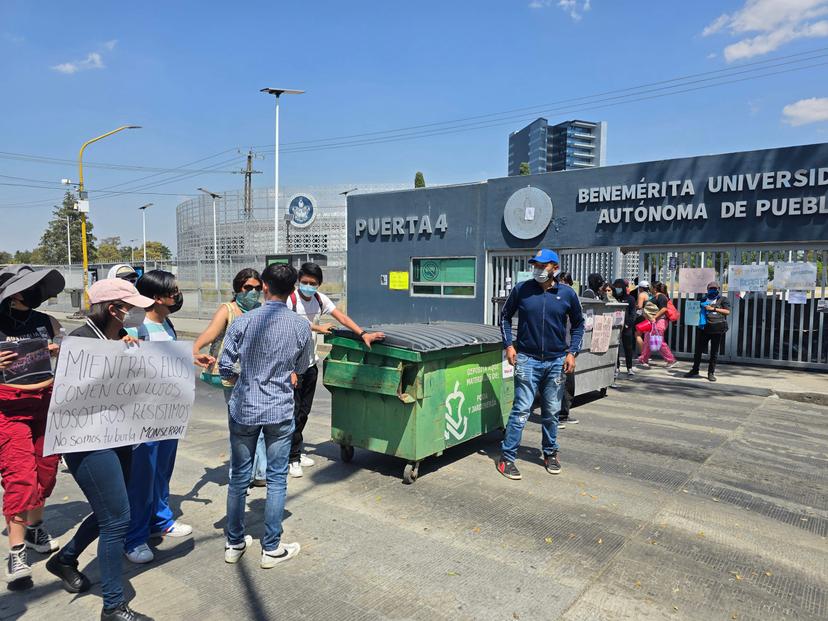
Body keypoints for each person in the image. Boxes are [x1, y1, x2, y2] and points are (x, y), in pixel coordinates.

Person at [46, 279, 155, 621]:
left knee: (108, 512)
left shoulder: (116, 338)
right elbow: (72, 396)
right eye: (131, 306)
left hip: (118, 436)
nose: (137, 312)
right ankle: (113, 605)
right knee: (117, 519)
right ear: (114, 309)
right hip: (87, 442)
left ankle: (64, 559)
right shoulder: (80, 340)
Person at [219, 263, 314, 568]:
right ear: (293, 290)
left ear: (264, 287)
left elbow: (225, 366)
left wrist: (244, 380)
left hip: (244, 407)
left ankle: (234, 542)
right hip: (279, 409)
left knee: (238, 477)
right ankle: (271, 547)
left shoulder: (244, 322)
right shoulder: (301, 326)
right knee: (276, 479)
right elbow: (300, 368)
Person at [123, 270, 210, 564]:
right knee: (142, 476)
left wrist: (192, 358)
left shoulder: (166, 323)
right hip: (143, 415)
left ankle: (161, 520)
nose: (178, 295)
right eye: (173, 291)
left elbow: (167, 358)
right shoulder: (134, 327)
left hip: (169, 412)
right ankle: (134, 538)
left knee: (162, 470)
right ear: (157, 297)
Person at [286, 263, 384, 477]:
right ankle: (292, 458)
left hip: (310, 362)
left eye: (313, 283)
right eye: (305, 282)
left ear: (319, 284)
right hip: (291, 365)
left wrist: (362, 333)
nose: (308, 286)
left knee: (303, 412)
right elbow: (289, 321)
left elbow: (342, 317)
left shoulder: (320, 299)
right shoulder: (291, 300)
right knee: (292, 412)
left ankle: (296, 450)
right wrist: (317, 327)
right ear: (298, 281)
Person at [0, 265, 63, 584]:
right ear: (14, 291)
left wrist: (59, 350)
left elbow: (69, 354)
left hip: (46, 405)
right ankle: (16, 552)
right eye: (30, 286)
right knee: (20, 477)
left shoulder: (47, 322)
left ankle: (35, 529)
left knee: (46, 471)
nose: (37, 291)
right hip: (8, 409)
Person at [498, 249, 584, 480]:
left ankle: (550, 453)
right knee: (521, 410)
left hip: (556, 362)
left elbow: (578, 324)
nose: (537, 269)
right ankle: (507, 458)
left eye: (542, 265)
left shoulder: (567, 294)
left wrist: (572, 352)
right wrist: (509, 345)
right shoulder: (522, 290)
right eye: (535, 265)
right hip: (526, 359)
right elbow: (505, 316)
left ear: (554, 268)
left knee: (551, 411)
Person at [193, 268, 268, 486]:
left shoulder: (262, 310)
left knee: (259, 423)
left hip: (257, 374)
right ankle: (240, 474)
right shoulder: (229, 309)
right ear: (238, 288)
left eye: (256, 288)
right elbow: (212, 332)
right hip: (232, 376)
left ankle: (260, 473)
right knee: (239, 424)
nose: (253, 292)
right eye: (247, 288)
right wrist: (196, 348)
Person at [684, 280, 731, 382]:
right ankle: (695, 369)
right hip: (703, 328)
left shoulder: (723, 300)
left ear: (718, 289)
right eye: (711, 288)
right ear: (707, 289)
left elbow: (727, 312)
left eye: (715, 289)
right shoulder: (702, 299)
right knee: (698, 351)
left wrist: (713, 309)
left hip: (717, 329)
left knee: (714, 352)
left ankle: (711, 373)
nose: (713, 290)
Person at [555, 271, 578, 428]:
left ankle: (563, 413)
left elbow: (578, 324)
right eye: (561, 281)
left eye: (567, 282)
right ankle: (558, 416)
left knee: (568, 382)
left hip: (568, 347)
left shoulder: (571, 299)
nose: (564, 285)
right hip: (558, 347)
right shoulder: (554, 299)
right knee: (559, 382)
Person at [637, 281, 677, 369]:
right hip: (654, 322)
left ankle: (670, 359)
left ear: (655, 288)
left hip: (659, 322)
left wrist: (654, 317)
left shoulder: (661, 296)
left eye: (651, 287)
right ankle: (643, 359)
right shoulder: (657, 296)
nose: (650, 288)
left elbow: (664, 309)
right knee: (648, 340)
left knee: (659, 341)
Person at [611, 278, 637, 376]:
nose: (617, 289)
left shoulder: (630, 299)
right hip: (615, 327)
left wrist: (627, 324)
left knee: (628, 347)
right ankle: (616, 367)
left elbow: (633, 314)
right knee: (615, 347)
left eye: (619, 287)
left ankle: (629, 367)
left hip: (626, 327)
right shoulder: (613, 298)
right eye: (616, 287)